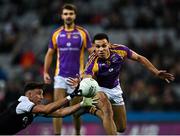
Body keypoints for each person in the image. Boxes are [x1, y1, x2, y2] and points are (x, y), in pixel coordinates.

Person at [68, 33, 175, 134]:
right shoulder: (93, 60)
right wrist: (82, 81)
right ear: (94, 47)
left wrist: (155, 72)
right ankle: (94, 110)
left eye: (104, 45)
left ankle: (90, 109)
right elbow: (88, 78)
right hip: (99, 88)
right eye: (98, 46)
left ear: (109, 45)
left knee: (121, 128)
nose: (101, 49)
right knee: (107, 111)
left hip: (115, 88)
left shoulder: (120, 50)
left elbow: (139, 58)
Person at [43, 3, 93, 135]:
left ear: (75, 15)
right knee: (57, 108)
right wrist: (45, 72)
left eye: (70, 14)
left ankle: (77, 133)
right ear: (62, 16)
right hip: (60, 76)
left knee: (75, 110)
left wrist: (88, 71)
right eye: (65, 14)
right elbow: (49, 53)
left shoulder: (82, 33)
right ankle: (57, 134)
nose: (68, 16)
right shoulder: (56, 34)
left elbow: (92, 52)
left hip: (77, 78)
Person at [0, 82, 97, 135]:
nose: (42, 97)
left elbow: (61, 113)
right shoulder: (23, 103)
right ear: (29, 94)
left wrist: (82, 103)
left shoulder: (33, 110)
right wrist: (71, 96)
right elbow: (46, 109)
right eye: (39, 94)